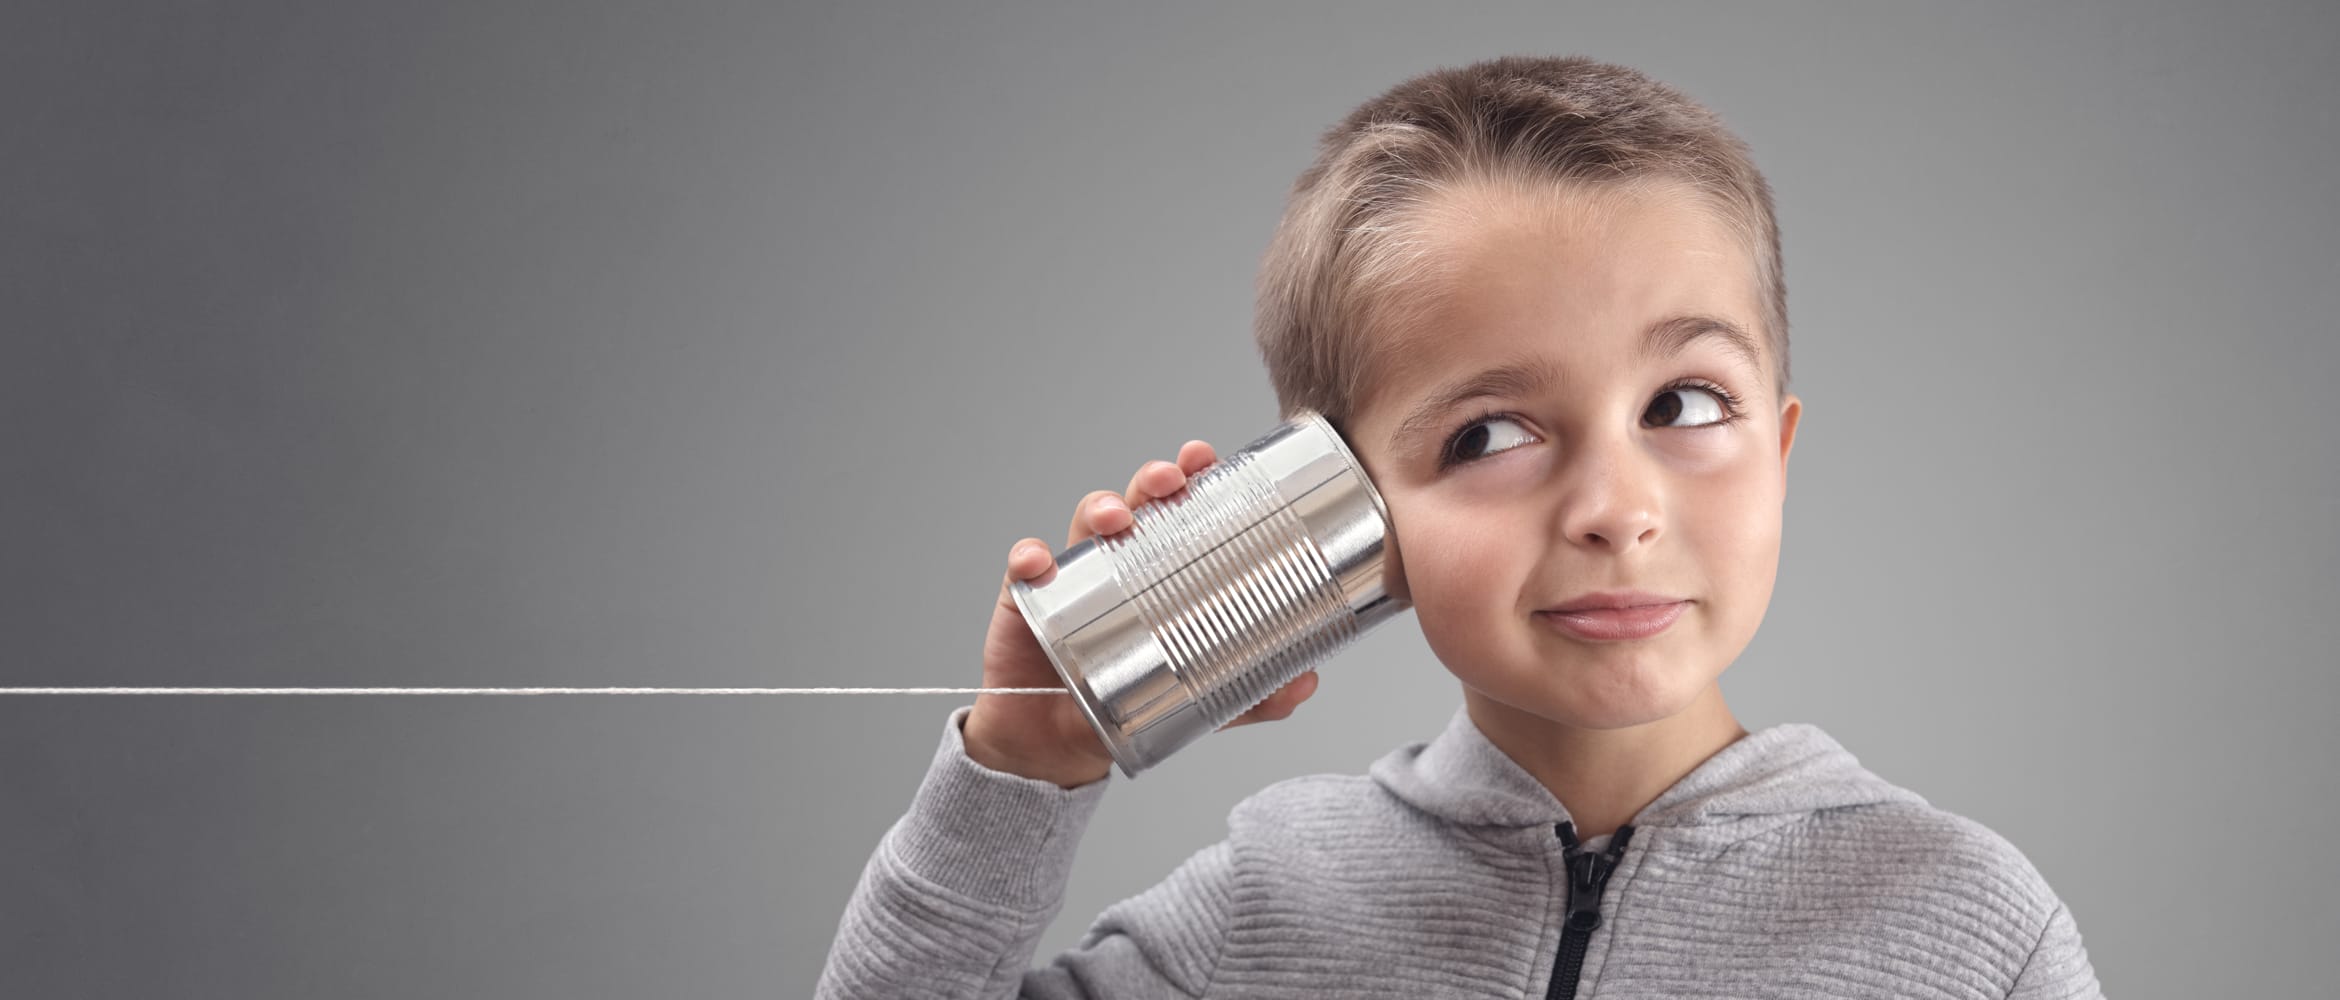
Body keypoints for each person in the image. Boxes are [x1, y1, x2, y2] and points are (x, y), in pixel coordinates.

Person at [815, 54, 2104, 999]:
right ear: (1346, 505)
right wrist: (1021, 772)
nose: (1613, 510)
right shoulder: (1268, 904)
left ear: (1778, 448)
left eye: (1686, 401)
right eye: (1489, 434)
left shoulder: (1971, 930)